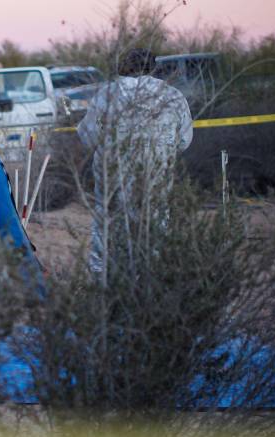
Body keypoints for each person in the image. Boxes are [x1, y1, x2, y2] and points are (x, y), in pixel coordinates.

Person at [77, 48, 193, 275]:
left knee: (108, 230)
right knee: (155, 228)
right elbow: (184, 140)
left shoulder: (107, 95)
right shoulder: (173, 96)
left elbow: (87, 136)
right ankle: (151, 282)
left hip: (113, 181)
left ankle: (105, 287)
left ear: (124, 65)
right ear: (154, 67)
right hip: (156, 179)